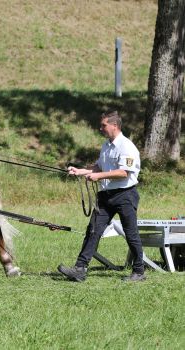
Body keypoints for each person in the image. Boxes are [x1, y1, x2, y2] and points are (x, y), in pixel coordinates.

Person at [58, 111, 146, 282]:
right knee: (93, 230)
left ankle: (139, 271)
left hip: (125, 195)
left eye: (104, 125)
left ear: (115, 125)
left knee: (131, 233)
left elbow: (123, 173)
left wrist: (98, 177)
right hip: (105, 196)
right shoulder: (106, 145)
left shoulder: (126, 146)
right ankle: (80, 269)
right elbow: (98, 167)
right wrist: (80, 171)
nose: (101, 128)